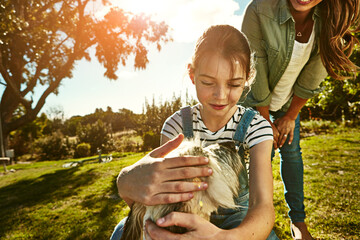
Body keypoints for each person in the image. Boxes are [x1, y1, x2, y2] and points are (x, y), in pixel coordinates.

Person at [111, 25, 279, 239]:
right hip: (187, 209)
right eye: (208, 82)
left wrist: (224, 237)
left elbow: (262, 206)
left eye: (234, 84)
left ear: (247, 78)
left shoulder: (256, 127)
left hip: (238, 216)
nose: (220, 95)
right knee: (120, 232)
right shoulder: (176, 125)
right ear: (192, 74)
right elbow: (163, 191)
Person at [241, 0, 360, 239]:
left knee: (292, 153)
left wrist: (291, 116)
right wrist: (264, 120)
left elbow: (314, 74)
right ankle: (250, 218)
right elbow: (255, 69)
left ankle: (298, 223)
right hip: (254, 101)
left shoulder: (333, 20)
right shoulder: (259, 10)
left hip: (288, 103)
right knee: (260, 154)